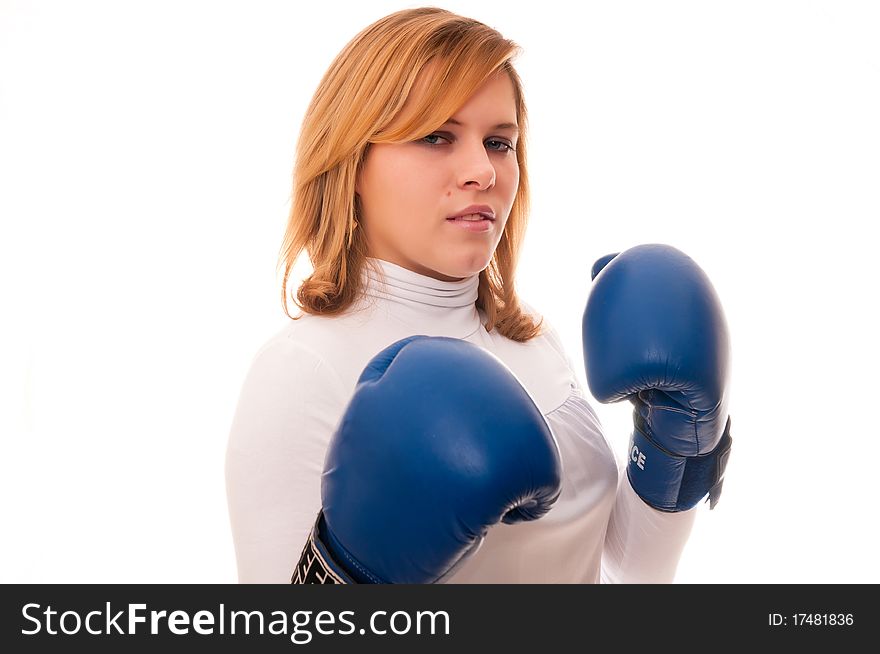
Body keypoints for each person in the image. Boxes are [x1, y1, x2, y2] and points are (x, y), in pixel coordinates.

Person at [224, 7, 732, 584]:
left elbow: (628, 573)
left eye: (498, 142)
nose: (481, 171)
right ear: (352, 162)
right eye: (436, 136)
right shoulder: (303, 369)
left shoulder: (532, 338)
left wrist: (675, 449)